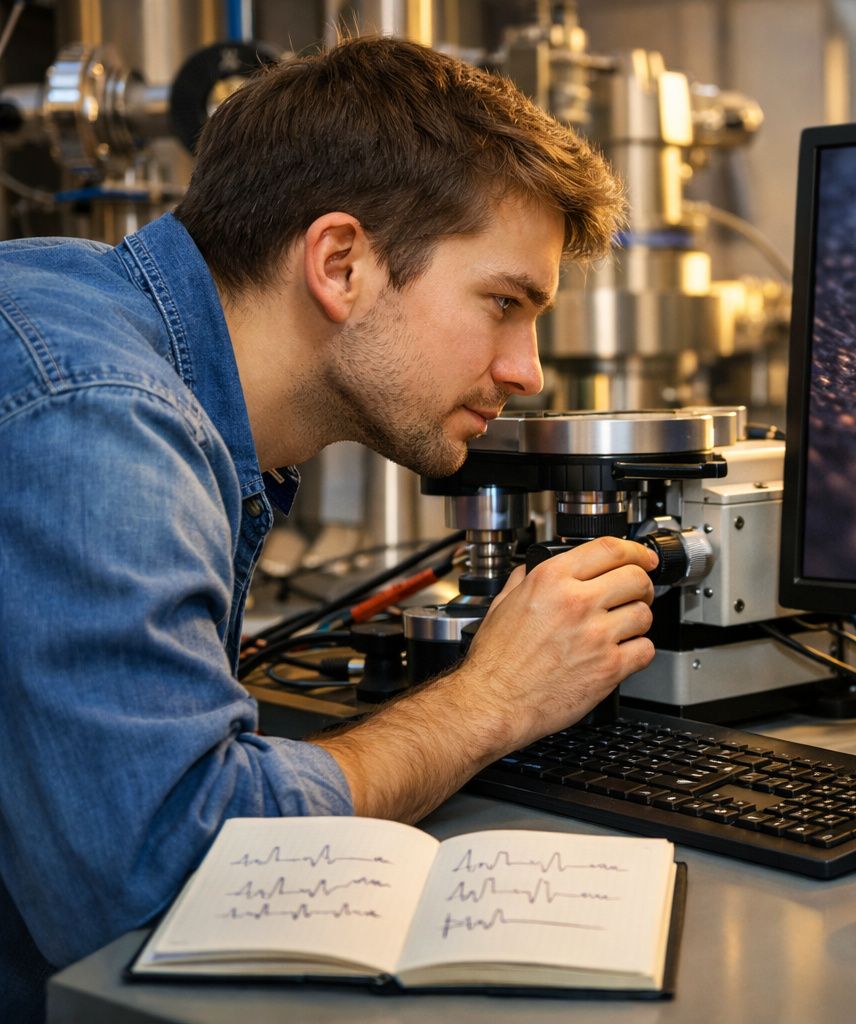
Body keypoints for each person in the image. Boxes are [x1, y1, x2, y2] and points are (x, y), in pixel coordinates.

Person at [0, 36, 653, 1019]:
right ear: (340, 262)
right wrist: (492, 700)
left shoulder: (90, 321)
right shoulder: (101, 414)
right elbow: (160, 872)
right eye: (504, 304)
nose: (529, 371)